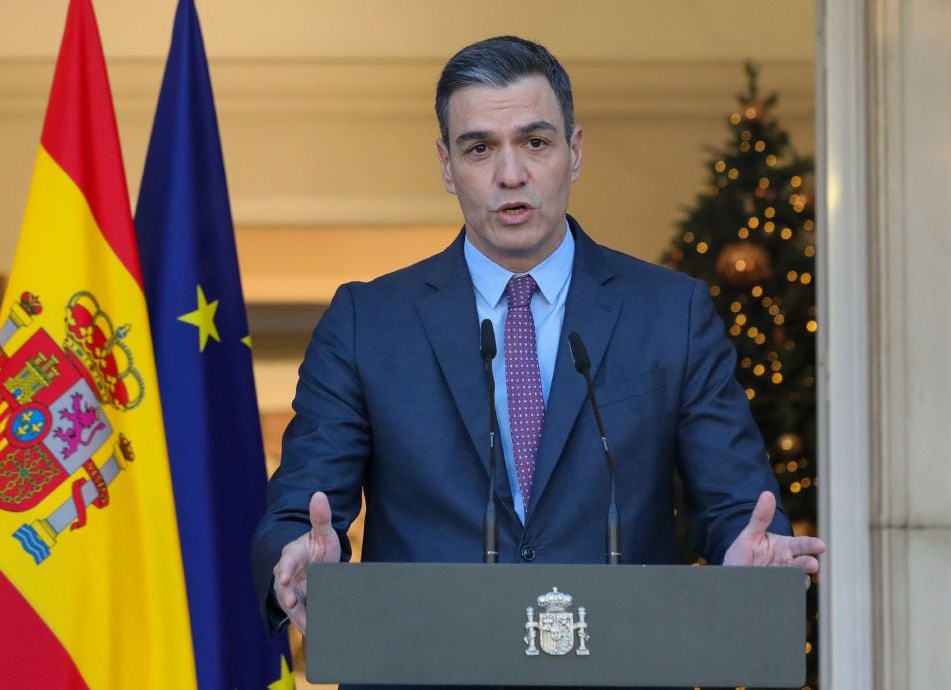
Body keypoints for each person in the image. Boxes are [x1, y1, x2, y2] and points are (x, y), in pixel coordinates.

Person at [251, 35, 826, 641]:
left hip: (619, 666)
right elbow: (301, 506)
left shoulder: (670, 313)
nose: (511, 174)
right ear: (447, 166)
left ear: (574, 152)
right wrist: (296, 555)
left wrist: (747, 553)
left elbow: (736, 502)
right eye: (479, 148)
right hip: (427, 665)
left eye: (535, 142)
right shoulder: (367, 321)